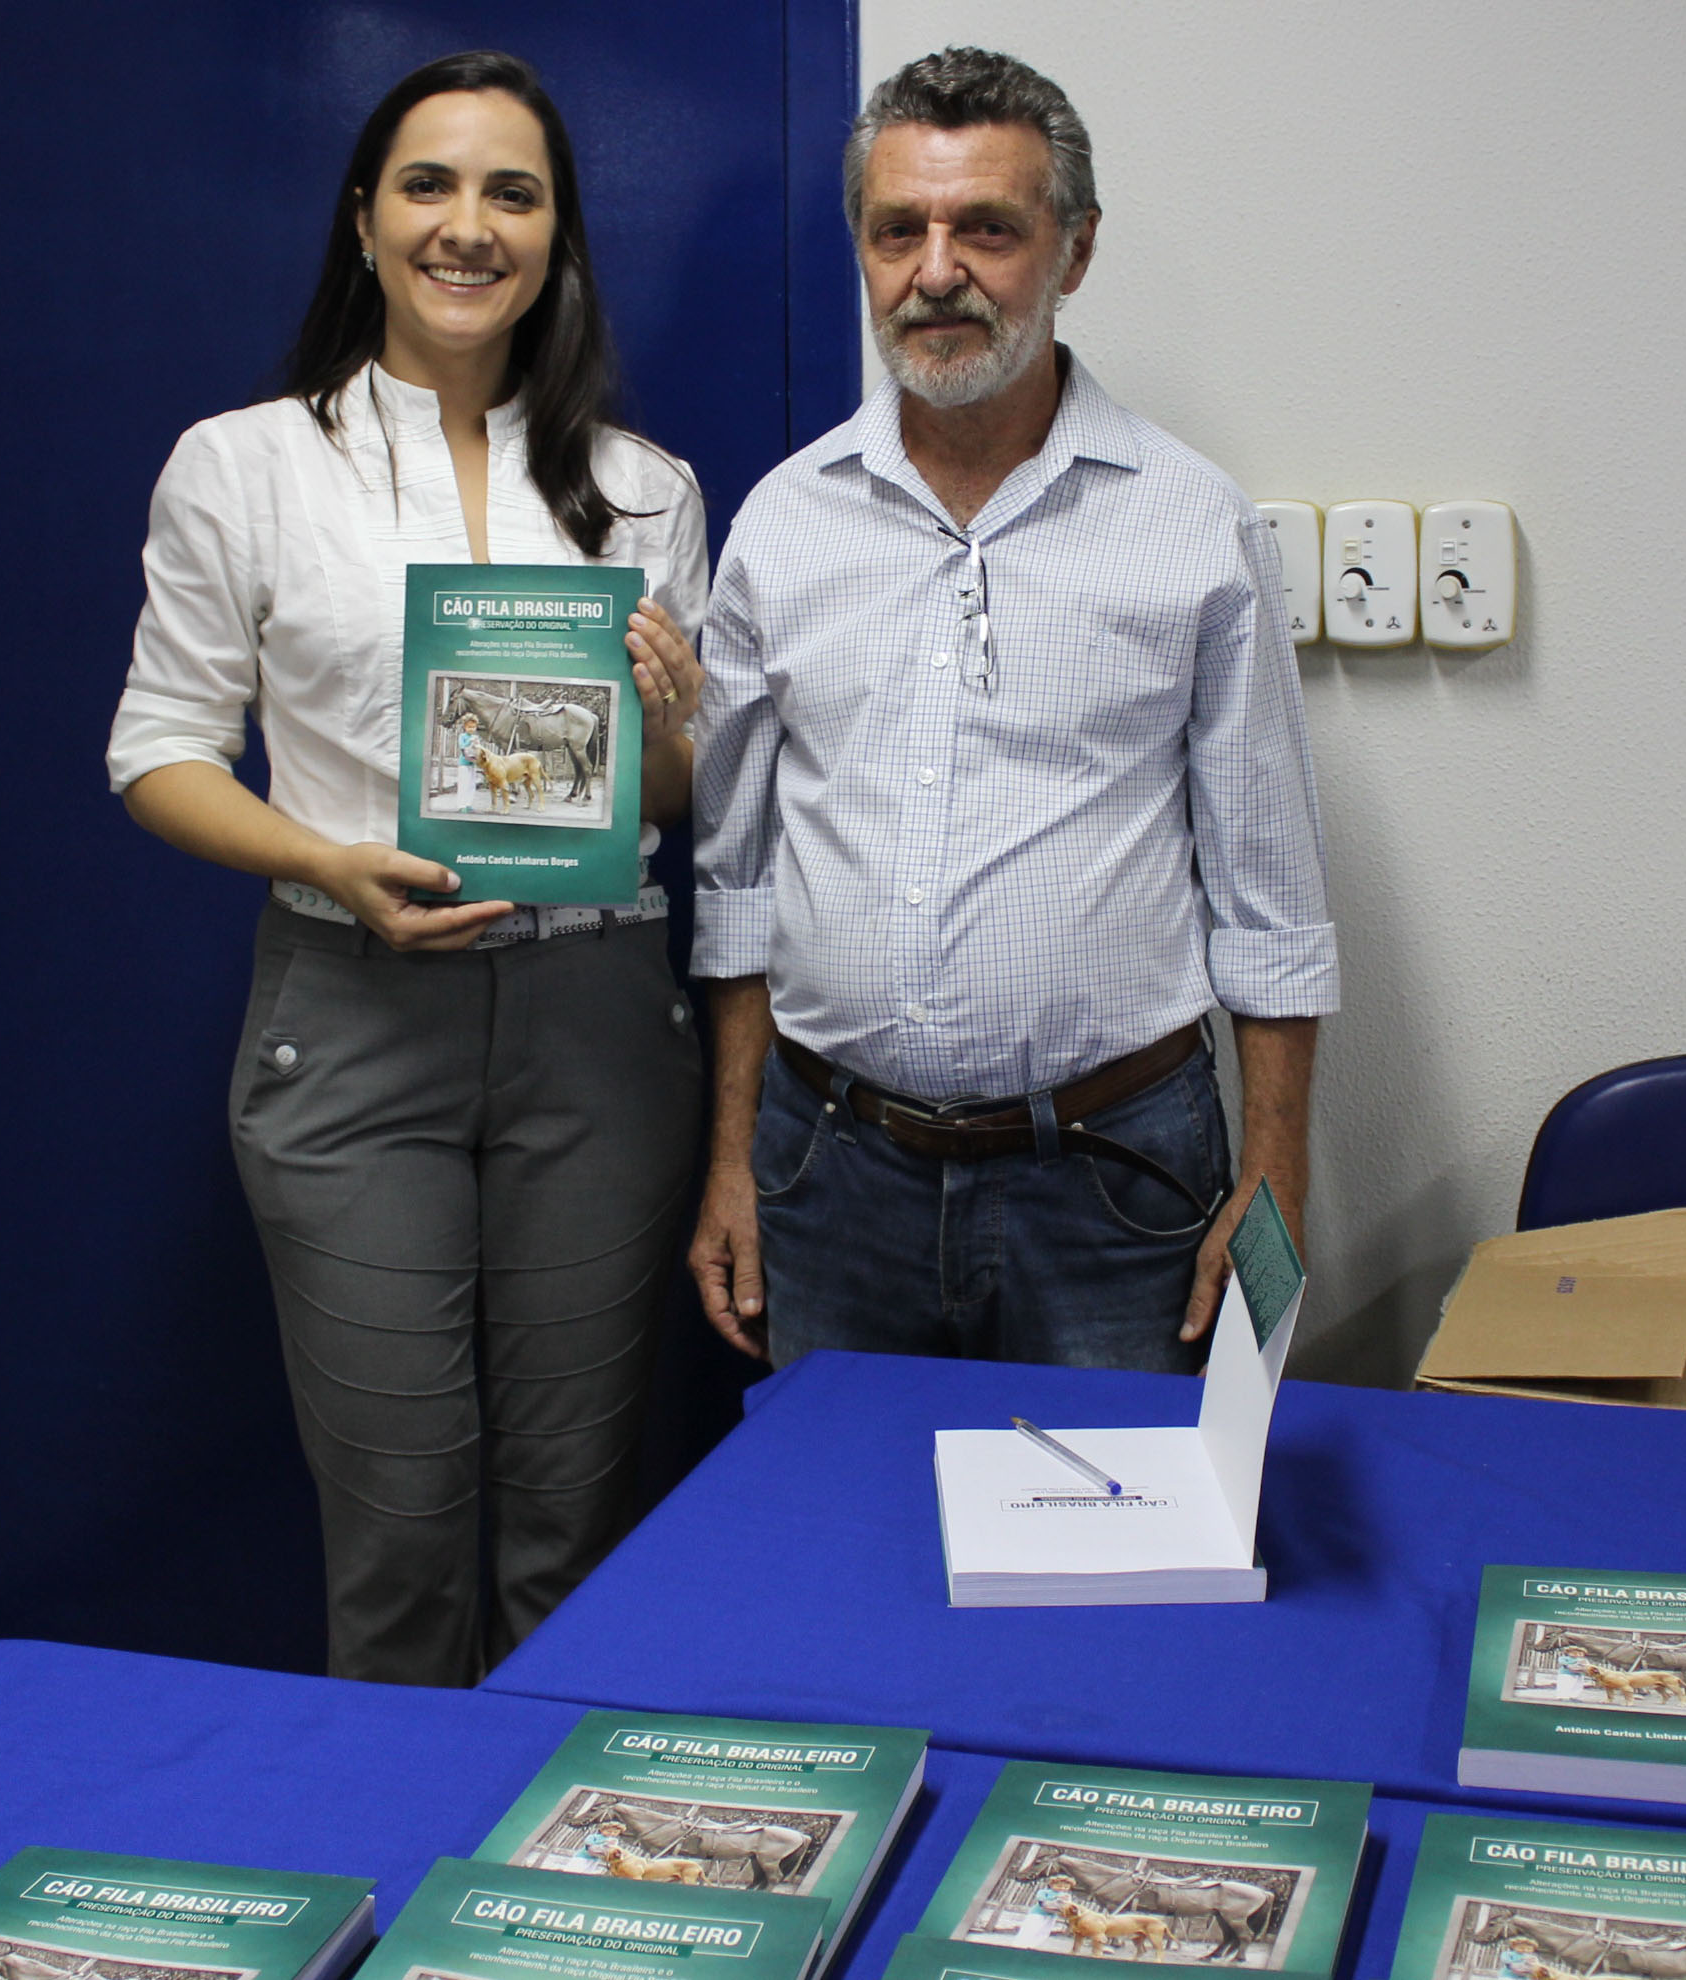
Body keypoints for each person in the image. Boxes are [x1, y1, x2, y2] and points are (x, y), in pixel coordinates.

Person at [105, 49, 710, 1686]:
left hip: (596, 1020)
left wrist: (673, 722)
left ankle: (558, 1906)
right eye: (428, 184)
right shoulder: (243, 465)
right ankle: (409, 1877)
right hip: (354, 1006)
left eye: (513, 191)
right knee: (402, 1522)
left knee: (576, 1514)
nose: (469, 225)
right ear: (361, 219)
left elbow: (668, 801)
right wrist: (327, 857)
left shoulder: (645, 493)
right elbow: (154, 751)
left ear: (558, 236)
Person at [686, 46, 1336, 1369]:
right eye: (897, 230)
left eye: (987, 227)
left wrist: (1274, 1175)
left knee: (1120, 1564)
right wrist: (734, 1163)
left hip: (1111, 1183)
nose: (936, 272)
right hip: (827, 1173)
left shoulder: (1193, 526)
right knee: (845, 1553)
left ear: (1075, 250)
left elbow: (1270, 896)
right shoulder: (783, 527)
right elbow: (738, 880)